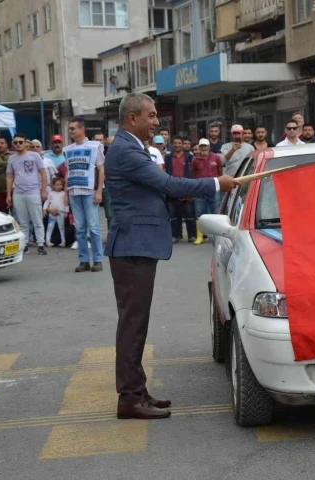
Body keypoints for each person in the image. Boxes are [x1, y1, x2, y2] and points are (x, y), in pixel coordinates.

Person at [104, 93, 239, 420]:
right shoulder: (125, 150)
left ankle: (137, 391)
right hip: (132, 246)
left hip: (137, 245)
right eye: (150, 116)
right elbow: (168, 184)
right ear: (132, 118)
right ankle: (130, 398)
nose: (156, 122)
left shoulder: (130, 147)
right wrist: (216, 185)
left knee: (136, 323)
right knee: (133, 324)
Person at [63, 118, 105, 272]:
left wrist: (99, 190)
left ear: (82, 129)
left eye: (73, 128)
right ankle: (84, 260)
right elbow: (68, 172)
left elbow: (101, 169)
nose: (71, 131)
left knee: (93, 227)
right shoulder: (67, 150)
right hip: (74, 191)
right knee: (79, 228)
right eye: (70, 128)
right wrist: (66, 193)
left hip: (89, 191)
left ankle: (98, 260)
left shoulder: (95, 146)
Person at [6, 133, 49, 255]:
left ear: (26, 143)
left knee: (37, 219)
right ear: (12, 144)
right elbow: (9, 177)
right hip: (18, 193)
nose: (18, 144)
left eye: (20, 142)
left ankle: (40, 243)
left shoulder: (34, 156)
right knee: (23, 221)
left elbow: (43, 173)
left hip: (33, 192)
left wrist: (44, 190)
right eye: (15, 142)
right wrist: (9, 195)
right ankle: (24, 244)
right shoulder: (11, 158)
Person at [166, 135, 198, 243]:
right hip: (173, 187)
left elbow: (194, 172)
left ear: (182, 144)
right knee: (174, 214)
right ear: (172, 144)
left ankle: (192, 235)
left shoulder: (190, 157)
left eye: (179, 143)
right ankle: (175, 235)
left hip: (187, 186)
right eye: (175, 143)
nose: (177, 145)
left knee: (189, 213)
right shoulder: (168, 157)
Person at [191, 138, 223, 245]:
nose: (204, 148)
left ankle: (216, 235)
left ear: (209, 147)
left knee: (216, 212)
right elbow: (194, 174)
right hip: (200, 188)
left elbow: (220, 172)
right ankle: (200, 237)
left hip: (214, 187)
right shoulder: (195, 159)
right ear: (199, 147)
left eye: (205, 146)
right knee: (199, 213)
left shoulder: (216, 157)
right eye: (202, 146)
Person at [43, 177, 68, 247]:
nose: (59, 186)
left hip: (61, 212)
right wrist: (44, 209)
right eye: (57, 185)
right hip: (52, 212)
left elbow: (66, 203)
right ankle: (48, 241)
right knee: (50, 226)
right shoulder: (51, 193)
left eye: (60, 185)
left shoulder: (63, 194)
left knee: (61, 227)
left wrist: (66, 212)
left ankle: (63, 241)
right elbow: (47, 202)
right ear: (53, 186)